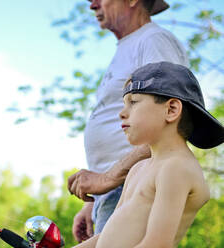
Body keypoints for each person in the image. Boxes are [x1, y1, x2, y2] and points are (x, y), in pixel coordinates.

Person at [67, 0, 189, 242]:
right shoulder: (131, 46)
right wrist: (95, 202)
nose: (92, 5)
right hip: (118, 190)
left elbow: (171, 125)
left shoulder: (153, 40)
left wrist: (109, 179)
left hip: (135, 186)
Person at [73, 61, 224, 248]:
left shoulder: (176, 167)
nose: (122, 113)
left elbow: (157, 244)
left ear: (171, 110)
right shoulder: (138, 169)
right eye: (123, 104)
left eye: (133, 102)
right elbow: (106, 238)